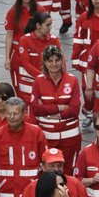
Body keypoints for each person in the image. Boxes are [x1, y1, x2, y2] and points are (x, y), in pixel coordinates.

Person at [29, 46, 82, 174]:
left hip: (70, 137)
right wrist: (59, 107)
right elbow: (35, 108)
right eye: (50, 61)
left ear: (62, 60)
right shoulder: (38, 81)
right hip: (47, 137)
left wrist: (50, 112)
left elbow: (75, 109)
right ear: (45, 62)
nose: (54, 64)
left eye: (57, 60)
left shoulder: (72, 80)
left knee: (69, 171)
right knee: (47, 173)